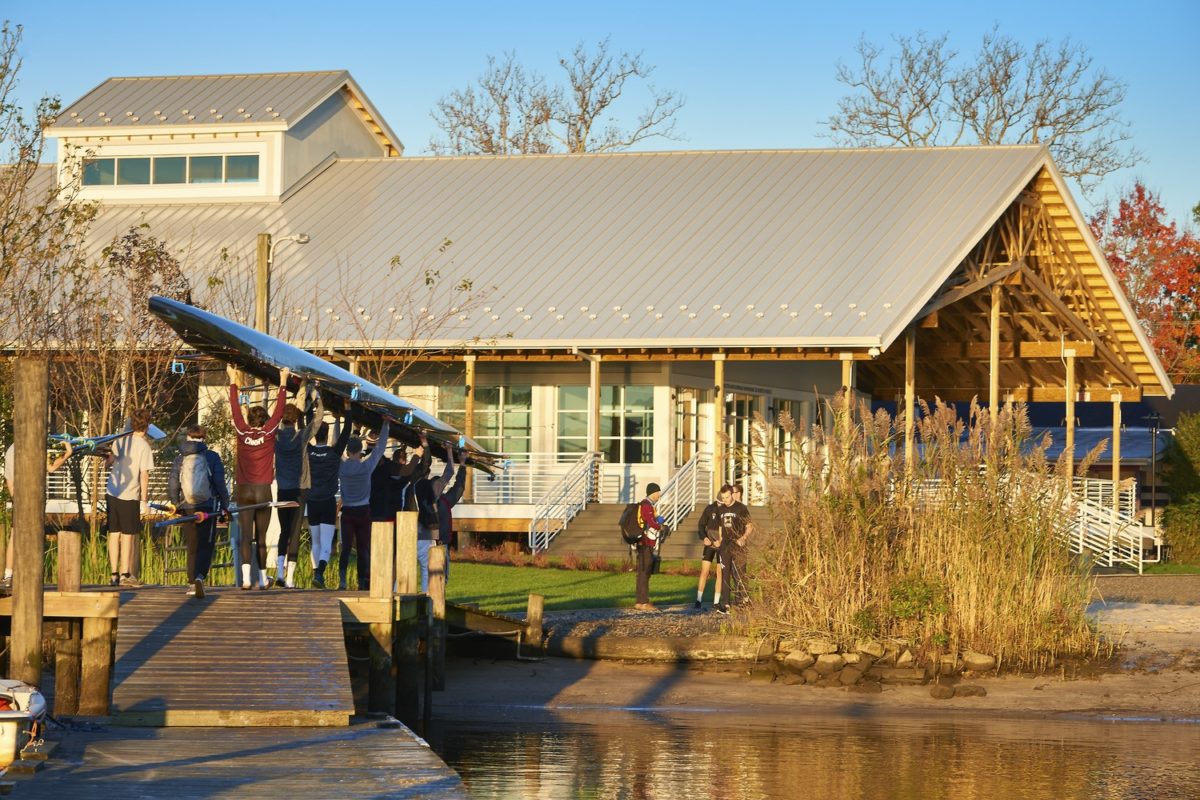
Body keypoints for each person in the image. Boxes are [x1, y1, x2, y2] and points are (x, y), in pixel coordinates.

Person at [229, 365, 290, 590]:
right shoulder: (268, 432)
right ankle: (263, 579)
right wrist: (283, 382)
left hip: (244, 489)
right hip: (263, 489)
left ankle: (246, 579)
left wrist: (233, 380)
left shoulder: (241, 430)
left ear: (248, 419)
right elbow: (280, 411)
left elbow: (234, 408)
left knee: (246, 535)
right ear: (264, 420)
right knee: (261, 537)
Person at [167, 425, 231, 598]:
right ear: (204, 439)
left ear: (188, 438)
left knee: (192, 544)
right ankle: (200, 576)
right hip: (208, 506)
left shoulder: (180, 458)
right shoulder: (212, 457)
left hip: (187, 506)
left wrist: (174, 503)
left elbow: (173, 482)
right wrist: (225, 504)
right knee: (206, 544)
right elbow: (219, 482)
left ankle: (191, 583)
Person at [3, 440, 73, 588]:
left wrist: (16, 498)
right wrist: (68, 453)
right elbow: (51, 468)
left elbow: (9, 479)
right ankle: (29, 574)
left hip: (18, 496)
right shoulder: (33, 445)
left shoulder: (11, 449)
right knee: (34, 536)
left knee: (15, 536)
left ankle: (8, 575)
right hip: (33, 497)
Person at [274, 384, 323, 588]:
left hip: (282, 489)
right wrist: (317, 397)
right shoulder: (301, 436)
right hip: (299, 489)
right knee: (295, 532)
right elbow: (318, 420)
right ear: (295, 420)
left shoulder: (275, 437)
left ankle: (279, 571)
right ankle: (290, 578)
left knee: (283, 531)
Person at [337, 419, 390, 591]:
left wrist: (338, 421)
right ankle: (361, 582)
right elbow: (380, 448)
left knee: (346, 548)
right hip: (363, 511)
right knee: (362, 548)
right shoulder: (366, 466)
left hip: (347, 511)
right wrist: (386, 424)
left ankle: (342, 580)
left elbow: (336, 445)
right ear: (360, 451)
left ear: (347, 451)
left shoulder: (341, 467)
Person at [105, 409, 155, 588]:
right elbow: (144, 474)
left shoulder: (120, 440)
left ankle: (114, 575)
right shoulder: (144, 446)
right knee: (128, 535)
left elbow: (109, 462)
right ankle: (125, 574)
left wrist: (107, 459)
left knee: (114, 533)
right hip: (130, 494)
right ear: (147, 426)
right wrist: (144, 500)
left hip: (112, 492)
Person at [307, 409, 351, 588]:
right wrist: (347, 410)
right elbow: (346, 432)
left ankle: (316, 574)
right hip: (327, 502)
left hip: (311, 501)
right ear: (327, 435)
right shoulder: (334, 453)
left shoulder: (308, 450)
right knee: (326, 543)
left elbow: (305, 427)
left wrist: (309, 406)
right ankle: (319, 573)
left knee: (315, 542)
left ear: (313, 435)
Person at [414, 445, 467, 593]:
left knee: (413, 569)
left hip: (417, 536)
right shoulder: (443, 500)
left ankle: (420, 596)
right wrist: (460, 462)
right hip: (436, 541)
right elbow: (458, 486)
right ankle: (431, 599)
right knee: (436, 575)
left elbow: (458, 487)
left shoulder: (415, 489)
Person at [716, 483, 754, 613]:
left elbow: (749, 526)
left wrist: (744, 538)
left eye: (727, 497)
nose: (725, 500)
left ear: (732, 495)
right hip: (725, 546)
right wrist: (720, 540)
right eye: (723, 498)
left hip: (738, 544)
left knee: (739, 573)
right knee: (725, 574)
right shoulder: (721, 509)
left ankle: (741, 601)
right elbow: (720, 526)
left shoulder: (741, 508)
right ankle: (726, 603)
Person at [694, 488, 728, 611]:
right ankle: (698, 600)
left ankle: (716, 601)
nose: (720, 504)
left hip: (721, 545)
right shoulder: (709, 509)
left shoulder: (727, 511)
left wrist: (722, 541)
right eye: (718, 502)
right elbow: (701, 525)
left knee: (720, 573)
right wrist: (704, 538)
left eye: (722, 502)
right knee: (705, 571)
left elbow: (728, 529)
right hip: (709, 543)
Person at [633, 482, 664, 611]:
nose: (658, 495)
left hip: (643, 543)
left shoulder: (647, 505)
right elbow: (651, 522)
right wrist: (660, 526)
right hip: (645, 543)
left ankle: (640, 601)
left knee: (642, 572)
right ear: (652, 493)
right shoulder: (647, 505)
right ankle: (644, 602)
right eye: (657, 493)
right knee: (645, 572)